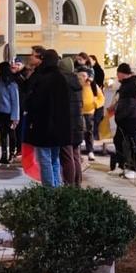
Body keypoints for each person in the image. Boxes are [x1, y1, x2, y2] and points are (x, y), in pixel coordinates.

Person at [23, 49, 80, 187]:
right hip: (60, 128)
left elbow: (35, 102)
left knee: (45, 159)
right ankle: (57, 187)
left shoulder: (44, 79)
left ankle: (49, 191)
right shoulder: (61, 78)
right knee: (55, 159)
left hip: (44, 126)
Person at [110, 63, 136, 179]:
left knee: (132, 143)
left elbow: (131, 105)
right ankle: (122, 165)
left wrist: (121, 116)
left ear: (122, 73)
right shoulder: (125, 85)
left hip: (131, 119)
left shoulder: (133, 85)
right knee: (119, 141)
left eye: (118, 73)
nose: (117, 76)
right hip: (124, 119)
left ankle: (134, 168)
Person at [57, 56, 85, 186]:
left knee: (67, 156)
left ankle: (69, 185)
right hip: (78, 123)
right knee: (75, 155)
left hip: (67, 124)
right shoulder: (77, 83)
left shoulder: (62, 82)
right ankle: (77, 183)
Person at [0, 61, 20, 168]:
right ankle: (3, 155)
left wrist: (15, 117)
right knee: (3, 135)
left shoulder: (12, 84)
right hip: (1, 112)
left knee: (11, 134)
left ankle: (11, 154)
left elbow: (15, 101)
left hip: (9, 113)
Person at [78, 71, 105, 162]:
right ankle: (78, 152)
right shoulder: (76, 85)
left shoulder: (93, 86)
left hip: (89, 111)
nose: (82, 77)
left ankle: (90, 151)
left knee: (89, 131)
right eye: (80, 76)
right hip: (78, 112)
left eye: (84, 75)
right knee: (79, 132)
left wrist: (95, 104)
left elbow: (101, 98)